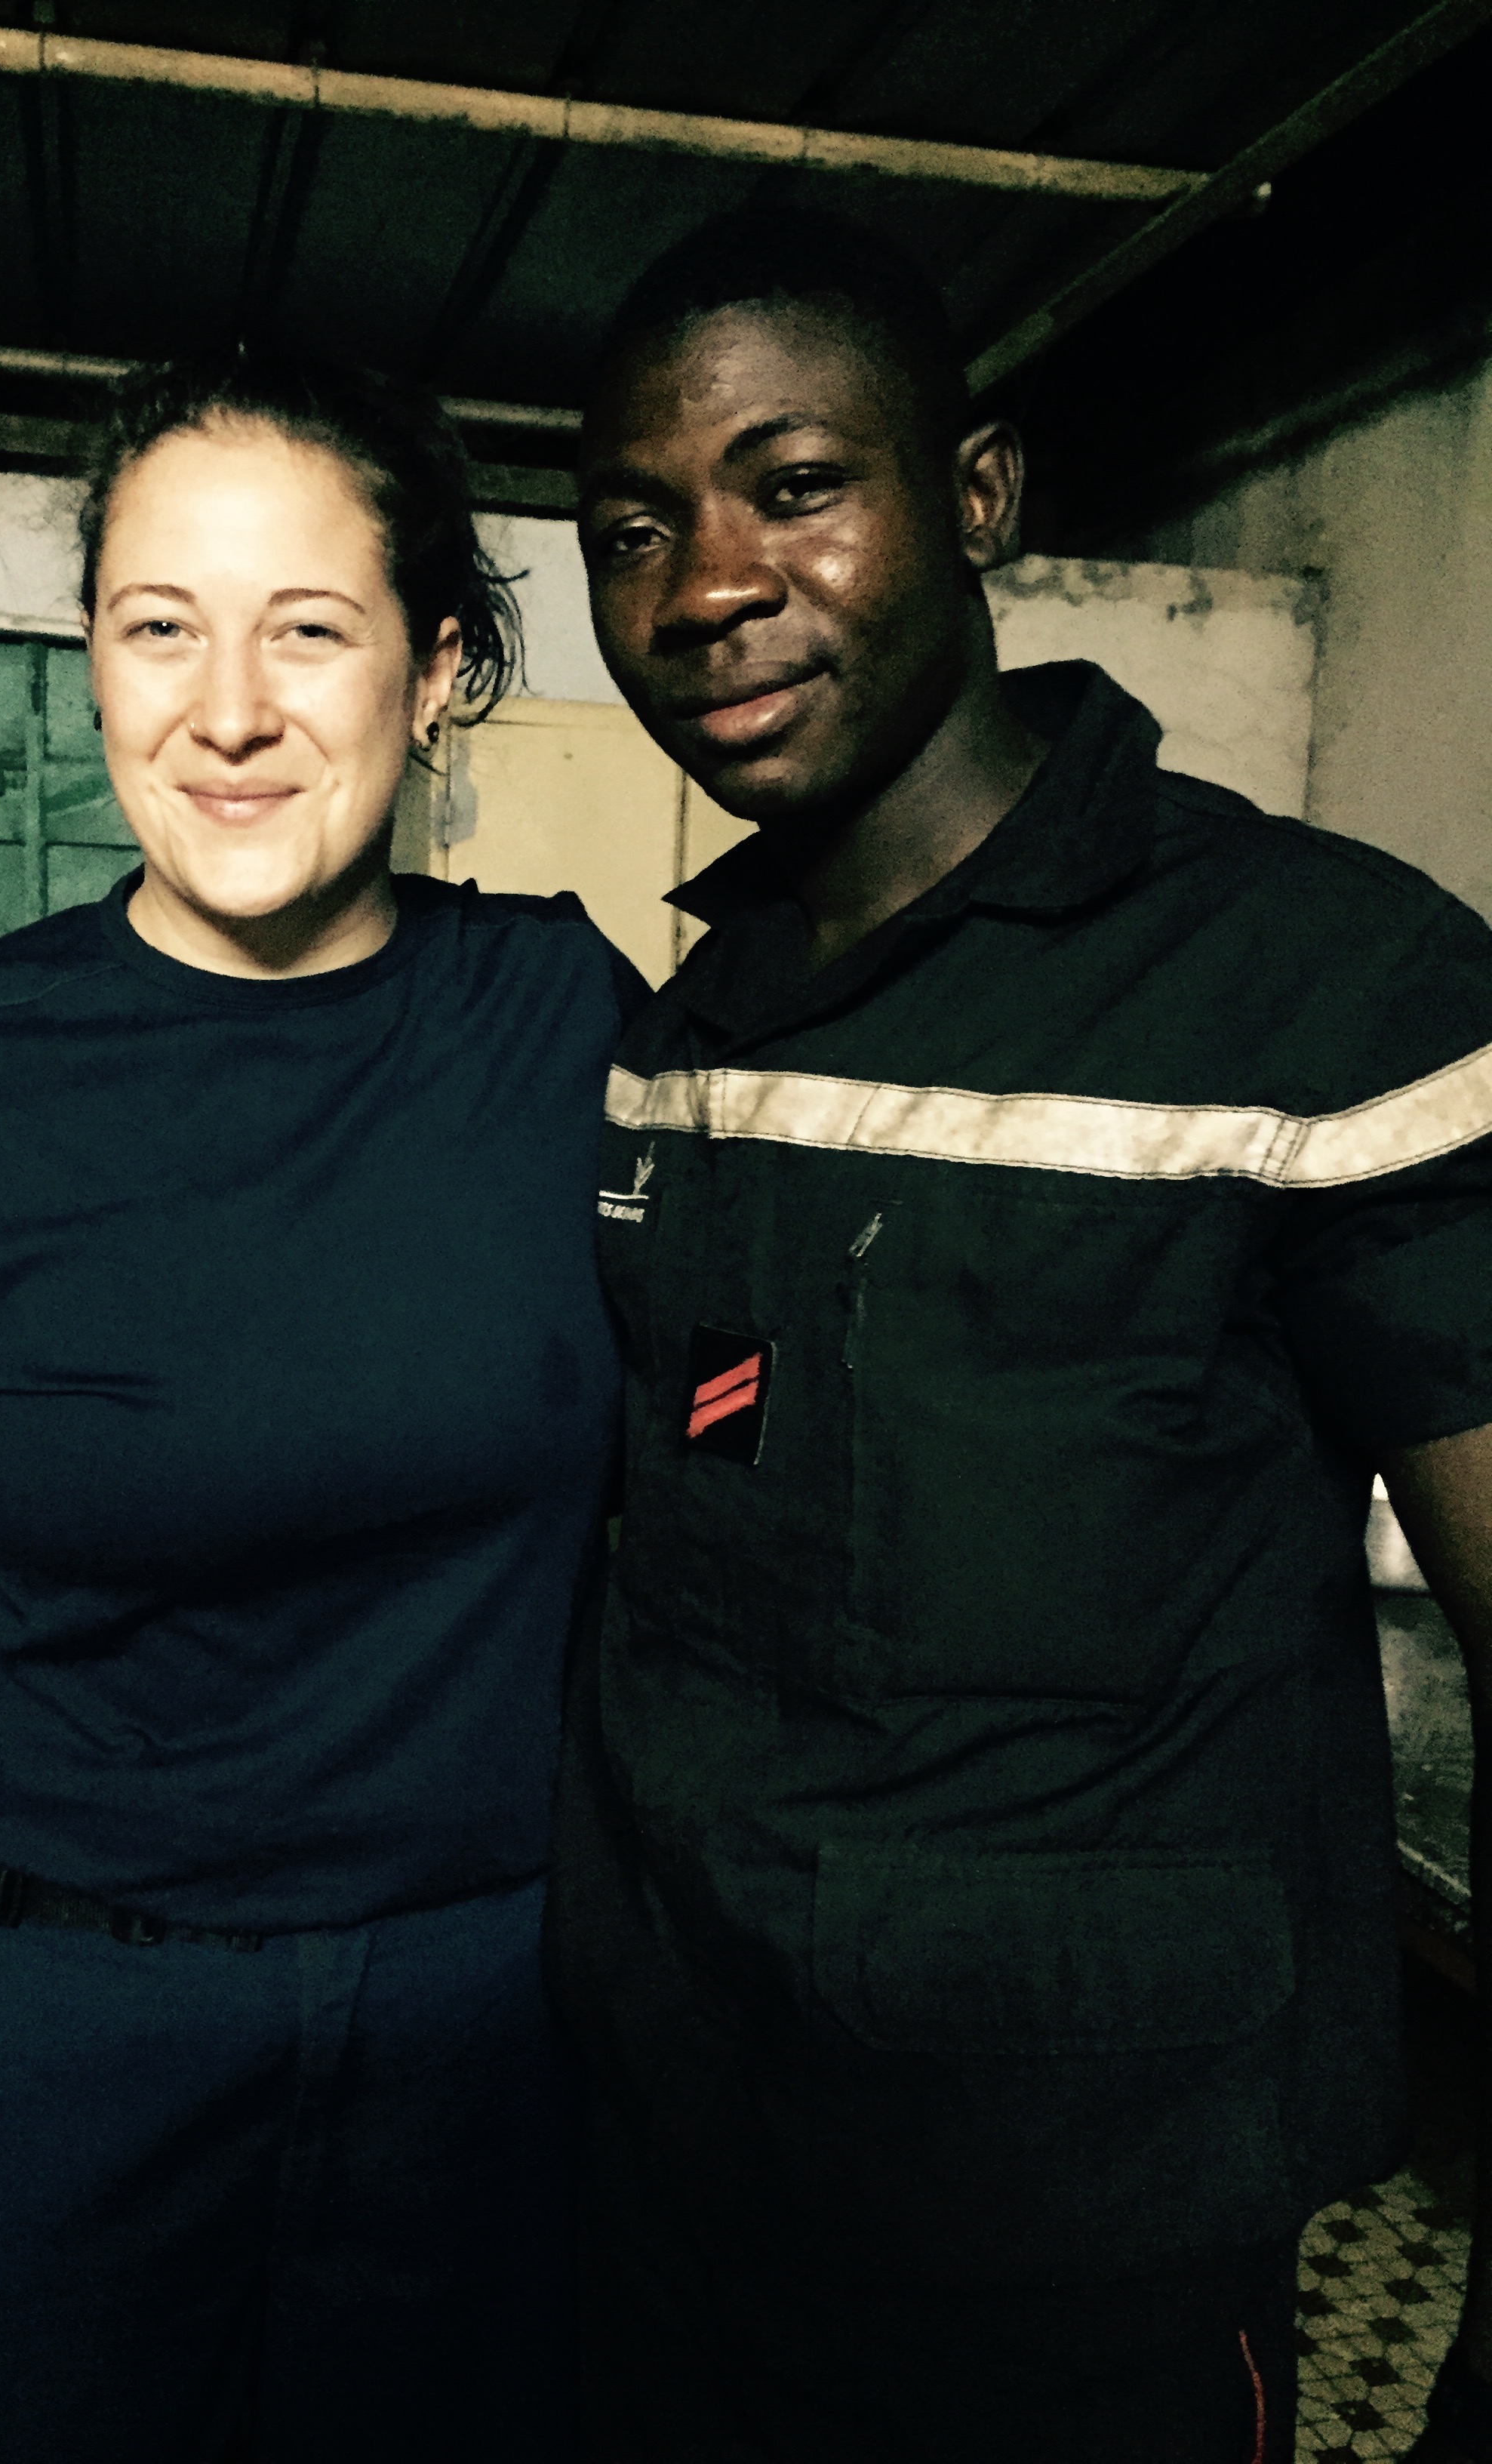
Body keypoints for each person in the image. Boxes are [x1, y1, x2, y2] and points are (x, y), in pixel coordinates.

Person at [550, 204, 1492, 2464]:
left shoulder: (1320, 995)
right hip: (665, 2190)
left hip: (1077, 2271)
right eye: (632, 530)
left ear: (976, 496)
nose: (705, 588)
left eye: (797, 486)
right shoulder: (682, 1036)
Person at [0, 352, 641, 2464]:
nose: (228, 711)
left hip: (478, 2048)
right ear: (95, 658)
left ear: (436, 673)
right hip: (36, 2032)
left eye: (307, 630)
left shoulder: (562, 1019)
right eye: (158, 628)